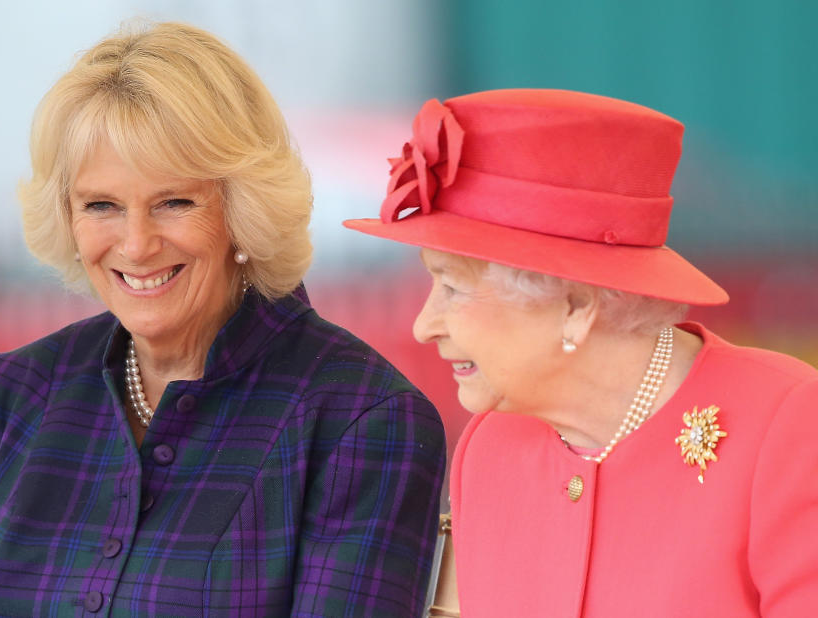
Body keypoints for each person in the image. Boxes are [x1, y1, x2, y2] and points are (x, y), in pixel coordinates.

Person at [0, 22, 445, 617]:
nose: (137, 245)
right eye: (102, 206)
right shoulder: (9, 397)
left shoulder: (363, 421)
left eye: (174, 202)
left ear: (241, 206)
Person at [345, 89, 818, 617]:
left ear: (574, 305)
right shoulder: (490, 443)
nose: (422, 325)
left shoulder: (787, 427)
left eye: (452, 287)